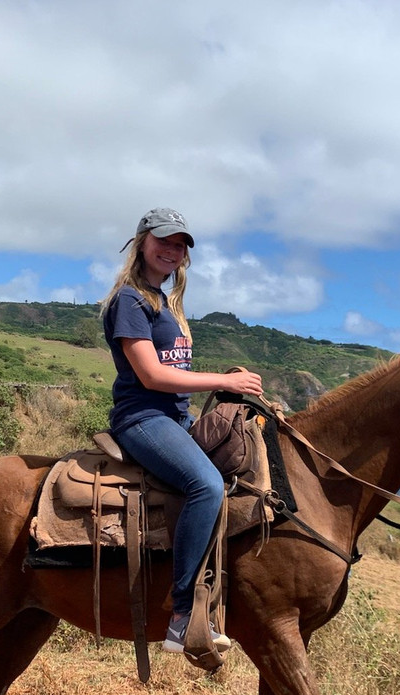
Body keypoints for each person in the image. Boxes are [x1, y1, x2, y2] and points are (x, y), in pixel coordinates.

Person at [101, 207, 263, 655]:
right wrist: (224, 381)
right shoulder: (130, 301)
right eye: (164, 241)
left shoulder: (164, 302)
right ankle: (182, 613)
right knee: (206, 485)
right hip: (143, 418)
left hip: (176, 419)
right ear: (142, 243)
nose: (171, 251)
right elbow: (152, 377)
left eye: (180, 245)